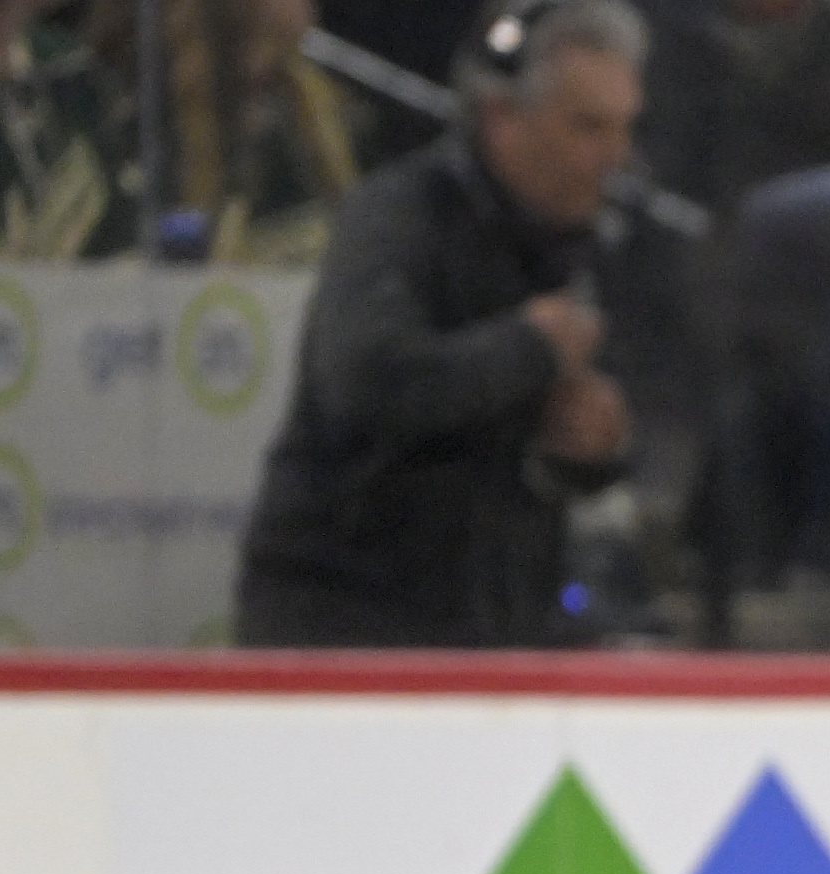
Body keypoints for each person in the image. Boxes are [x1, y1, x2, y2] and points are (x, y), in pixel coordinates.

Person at [236, 0, 644, 647]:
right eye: (588, 128)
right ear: (501, 117)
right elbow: (366, 386)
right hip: (346, 628)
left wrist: (597, 445)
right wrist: (529, 348)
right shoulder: (397, 219)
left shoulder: (587, 244)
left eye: (625, 128)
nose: (614, 157)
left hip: (494, 634)